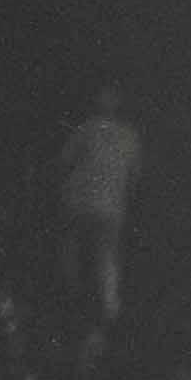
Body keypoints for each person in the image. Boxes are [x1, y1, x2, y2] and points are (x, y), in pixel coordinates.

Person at [57, 83, 143, 327]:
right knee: (105, 257)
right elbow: (135, 177)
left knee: (79, 249)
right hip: (108, 205)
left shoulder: (87, 130)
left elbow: (64, 163)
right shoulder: (128, 135)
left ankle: (73, 298)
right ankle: (107, 310)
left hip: (83, 203)